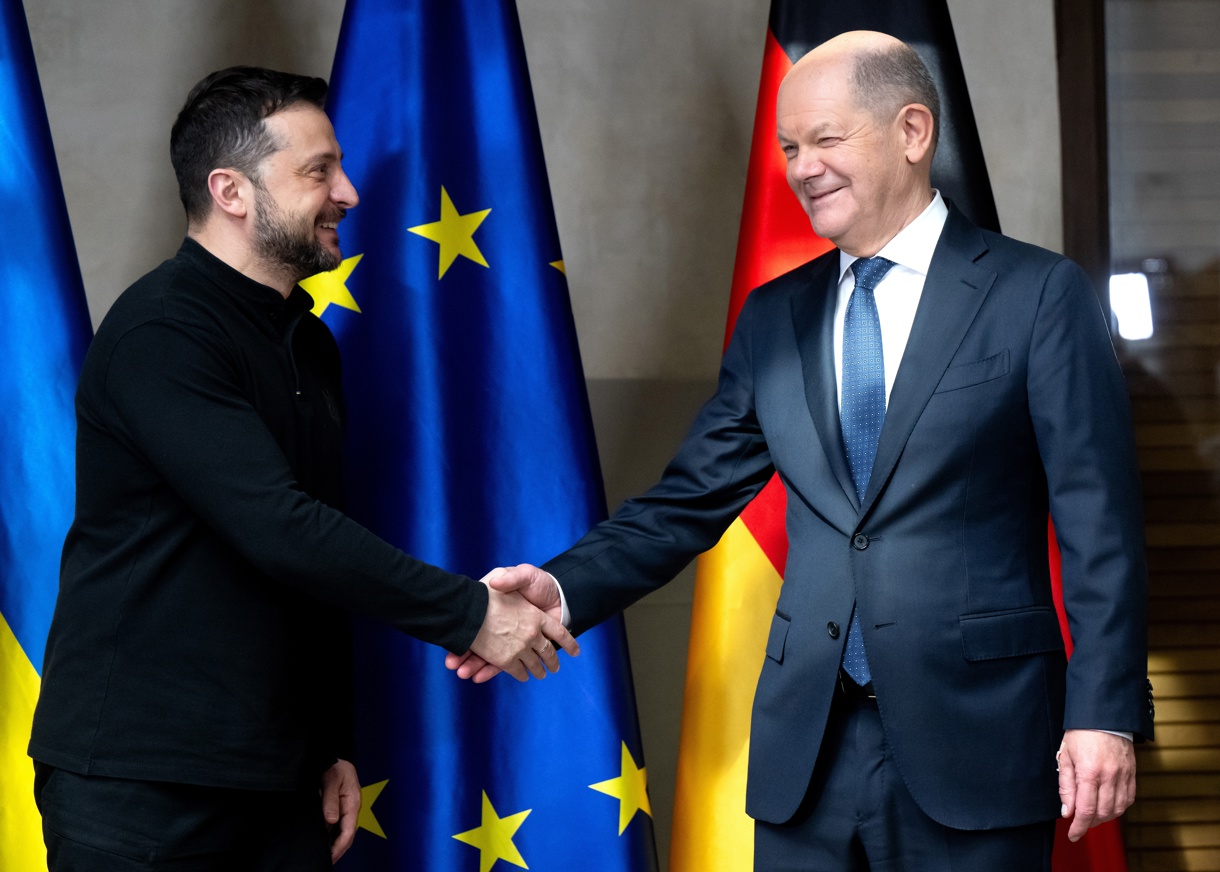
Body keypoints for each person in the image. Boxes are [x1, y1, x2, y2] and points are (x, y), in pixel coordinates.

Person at [449, 31, 1154, 871]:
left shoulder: (1036, 295)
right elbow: (687, 502)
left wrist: (1103, 713)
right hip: (805, 756)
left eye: (825, 139)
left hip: (980, 739)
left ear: (913, 131)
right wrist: (560, 587)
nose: (802, 166)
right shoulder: (773, 317)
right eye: (789, 147)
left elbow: (1098, 521)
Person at [28, 66, 575, 872]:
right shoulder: (161, 331)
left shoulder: (308, 344)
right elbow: (280, 528)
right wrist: (470, 613)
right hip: (137, 781)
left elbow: (316, 561)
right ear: (231, 190)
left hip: (279, 776)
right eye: (318, 171)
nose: (348, 193)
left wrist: (333, 742)